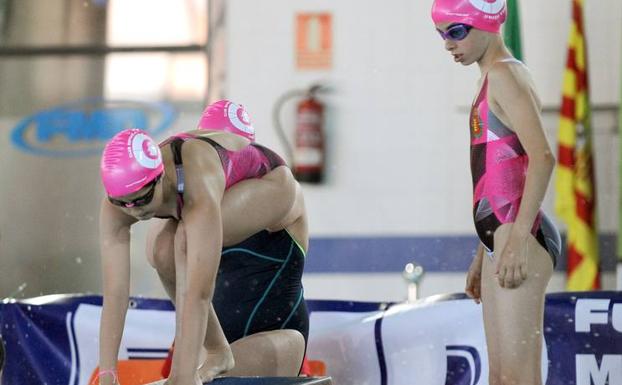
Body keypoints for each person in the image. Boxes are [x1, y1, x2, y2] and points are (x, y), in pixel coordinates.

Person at [97, 100, 309, 385]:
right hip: (210, 341)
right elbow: (115, 293)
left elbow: (198, 293)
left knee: (185, 238)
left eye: (143, 200)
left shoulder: (204, 184)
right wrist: (108, 374)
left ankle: (213, 355)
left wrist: (182, 377)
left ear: (159, 179)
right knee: (161, 250)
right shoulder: (126, 197)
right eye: (123, 203)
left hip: (278, 334)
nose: (135, 210)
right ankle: (217, 350)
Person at [431, 1, 561, 384]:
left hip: (519, 231)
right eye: (442, 34)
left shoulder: (505, 75)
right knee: (501, 379)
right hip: (498, 234)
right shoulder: (488, 78)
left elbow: (543, 157)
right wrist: (481, 253)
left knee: (519, 378)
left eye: (457, 32)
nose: (449, 45)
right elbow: (499, 178)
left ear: (487, 23)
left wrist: (518, 237)